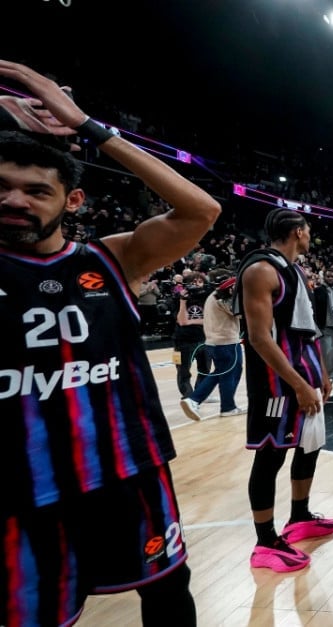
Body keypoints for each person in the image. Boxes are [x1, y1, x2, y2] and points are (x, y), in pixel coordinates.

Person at [0, 60, 222, 625]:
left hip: (127, 471)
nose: (17, 200)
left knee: (169, 597)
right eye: (2, 187)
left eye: (36, 190)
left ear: (72, 201)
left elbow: (202, 210)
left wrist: (87, 126)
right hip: (23, 489)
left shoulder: (111, 258)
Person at [236, 207, 333, 574]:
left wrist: (321, 374)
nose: (310, 235)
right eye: (308, 229)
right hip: (275, 384)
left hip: (305, 375)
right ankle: (265, 541)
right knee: (270, 456)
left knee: (309, 445)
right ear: (298, 231)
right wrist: (298, 384)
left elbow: (308, 330)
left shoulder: (294, 270)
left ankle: (299, 517)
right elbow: (259, 338)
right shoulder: (261, 270)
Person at [180, 268, 245, 420]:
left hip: (215, 342)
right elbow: (240, 313)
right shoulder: (221, 297)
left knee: (224, 372)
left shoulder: (213, 296)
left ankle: (218, 404)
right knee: (227, 374)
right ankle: (200, 400)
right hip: (226, 341)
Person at [174, 271, 212, 396]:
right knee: (183, 371)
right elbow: (182, 321)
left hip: (204, 338)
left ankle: (199, 395)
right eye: (194, 282)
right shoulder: (178, 298)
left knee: (205, 369)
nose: (197, 284)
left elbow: (210, 319)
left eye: (200, 281)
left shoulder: (207, 297)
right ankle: (188, 396)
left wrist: (190, 321)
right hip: (183, 340)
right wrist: (182, 301)